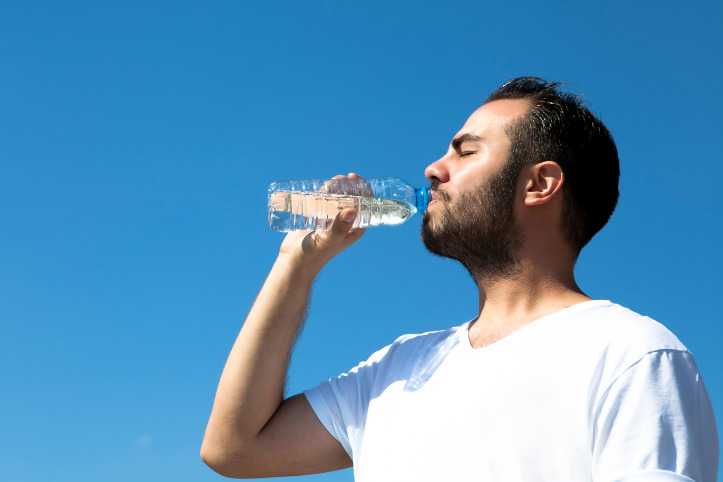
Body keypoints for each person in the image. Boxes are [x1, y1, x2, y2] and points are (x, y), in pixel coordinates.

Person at [201, 77, 719, 481]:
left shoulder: (631, 353)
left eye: (465, 151)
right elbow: (234, 448)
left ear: (539, 184)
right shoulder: (397, 368)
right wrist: (297, 262)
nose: (432, 168)